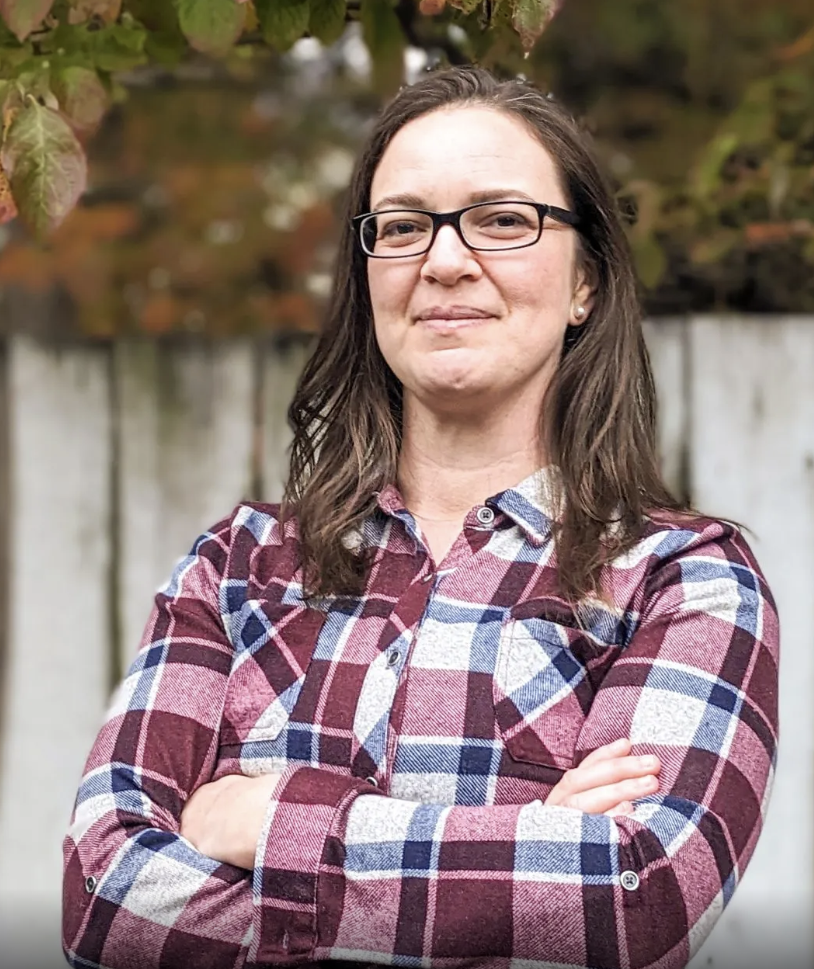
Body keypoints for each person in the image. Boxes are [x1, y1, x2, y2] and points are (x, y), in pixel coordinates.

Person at [62, 66, 778, 969]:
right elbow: (103, 899)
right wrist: (526, 845)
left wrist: (270, 822)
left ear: (585, 284)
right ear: (368, 277)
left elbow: (640, 898)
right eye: (402, 227)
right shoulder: (237, 568)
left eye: (504, 220)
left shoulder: (686, 580)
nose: (444, 260)